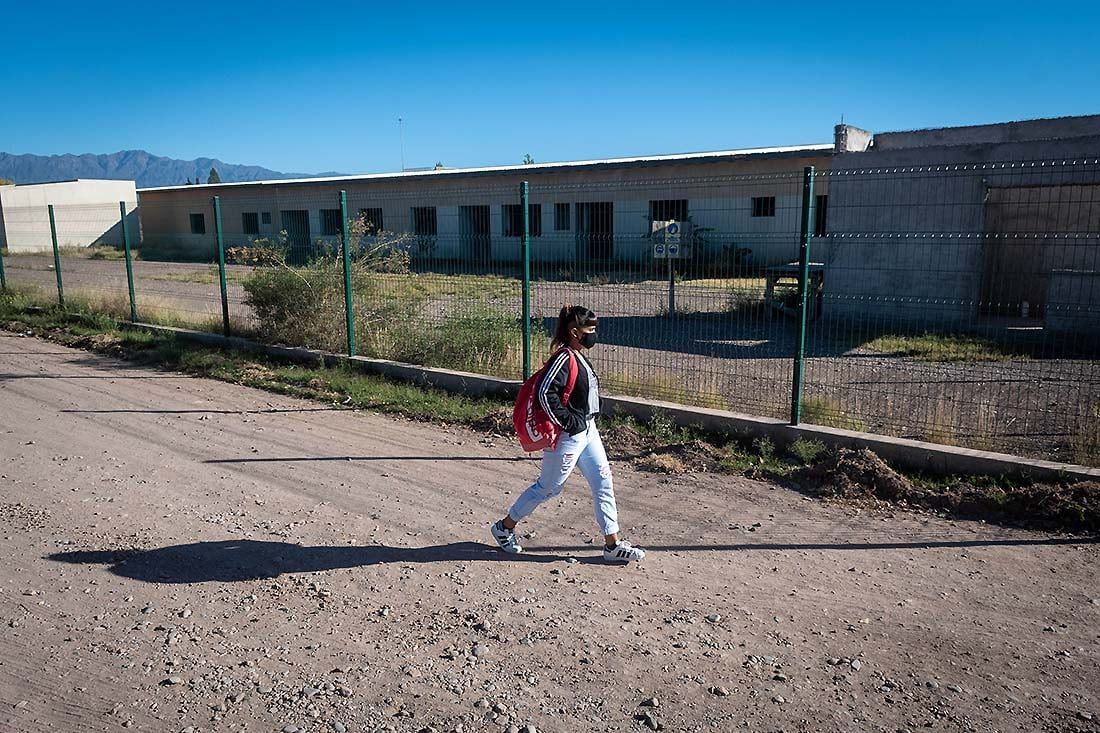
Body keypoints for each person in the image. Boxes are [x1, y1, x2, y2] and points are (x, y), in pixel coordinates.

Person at [491, 304, 646, 563]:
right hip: (569, 435)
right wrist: (570, 421)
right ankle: (504, 528)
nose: (594, 334)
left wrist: (582, 421)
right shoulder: (564, 357)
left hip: (588, 431)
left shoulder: (578, 355)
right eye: (590, 329)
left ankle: (612, 545)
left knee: (603, 482)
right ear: (575, 332)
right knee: (548, 488)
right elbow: (544, 392)